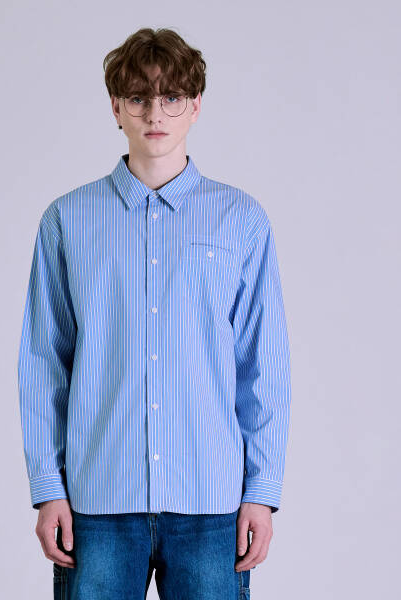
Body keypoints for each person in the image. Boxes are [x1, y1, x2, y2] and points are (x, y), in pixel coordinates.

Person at [17, 26, 291, 600]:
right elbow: (44, 361)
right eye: (139, 97)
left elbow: (262, 363)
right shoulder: (67, 220)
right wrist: (48, 488)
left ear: (197, 105)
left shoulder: (240, 220)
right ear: (116, 106)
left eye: (172, 97)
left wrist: (261, 492)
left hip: (211, 504)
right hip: (96, 502)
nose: (155, 114)